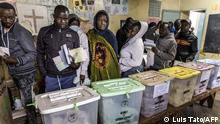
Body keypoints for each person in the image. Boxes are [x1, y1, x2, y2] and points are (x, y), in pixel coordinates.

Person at [0, 2, 37, 124]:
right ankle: (29, 117)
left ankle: (33, 121)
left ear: (15, 16)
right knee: (22, 97)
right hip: (14, 70)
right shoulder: (2, 30)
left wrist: (17, 60)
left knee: (28, 99)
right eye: (4, 17)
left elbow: (33, 54)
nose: (8, 20)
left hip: (26, 72)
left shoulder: (21, 32)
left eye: (11, 17)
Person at [37, 5, 80, 92]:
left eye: (66, 19)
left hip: (69, 76)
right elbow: (39, 53)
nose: (63, 21)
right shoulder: (44, 32)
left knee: (70, 102)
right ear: (53, 16)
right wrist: (44, 73)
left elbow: (78, 57)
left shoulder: (74, 34)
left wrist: (76, 65)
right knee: (52, 103)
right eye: (60, 18)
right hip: (51, 77)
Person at [87, 10, 120, 82]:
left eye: (105, 20)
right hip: (94, 67)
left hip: (107, 68)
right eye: (100, 20)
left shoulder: (110, 36)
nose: (103, 23)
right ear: (95, 21)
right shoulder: (90, 34)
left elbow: (114, 55)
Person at [68, 14, 90, 85]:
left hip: (80, 70)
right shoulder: (64, 35)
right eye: (72, 24)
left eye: (76, 24)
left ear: (79, 24)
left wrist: (83, 72)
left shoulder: (82, 36)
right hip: (67, 71)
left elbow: (86, 56)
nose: (74, 26)